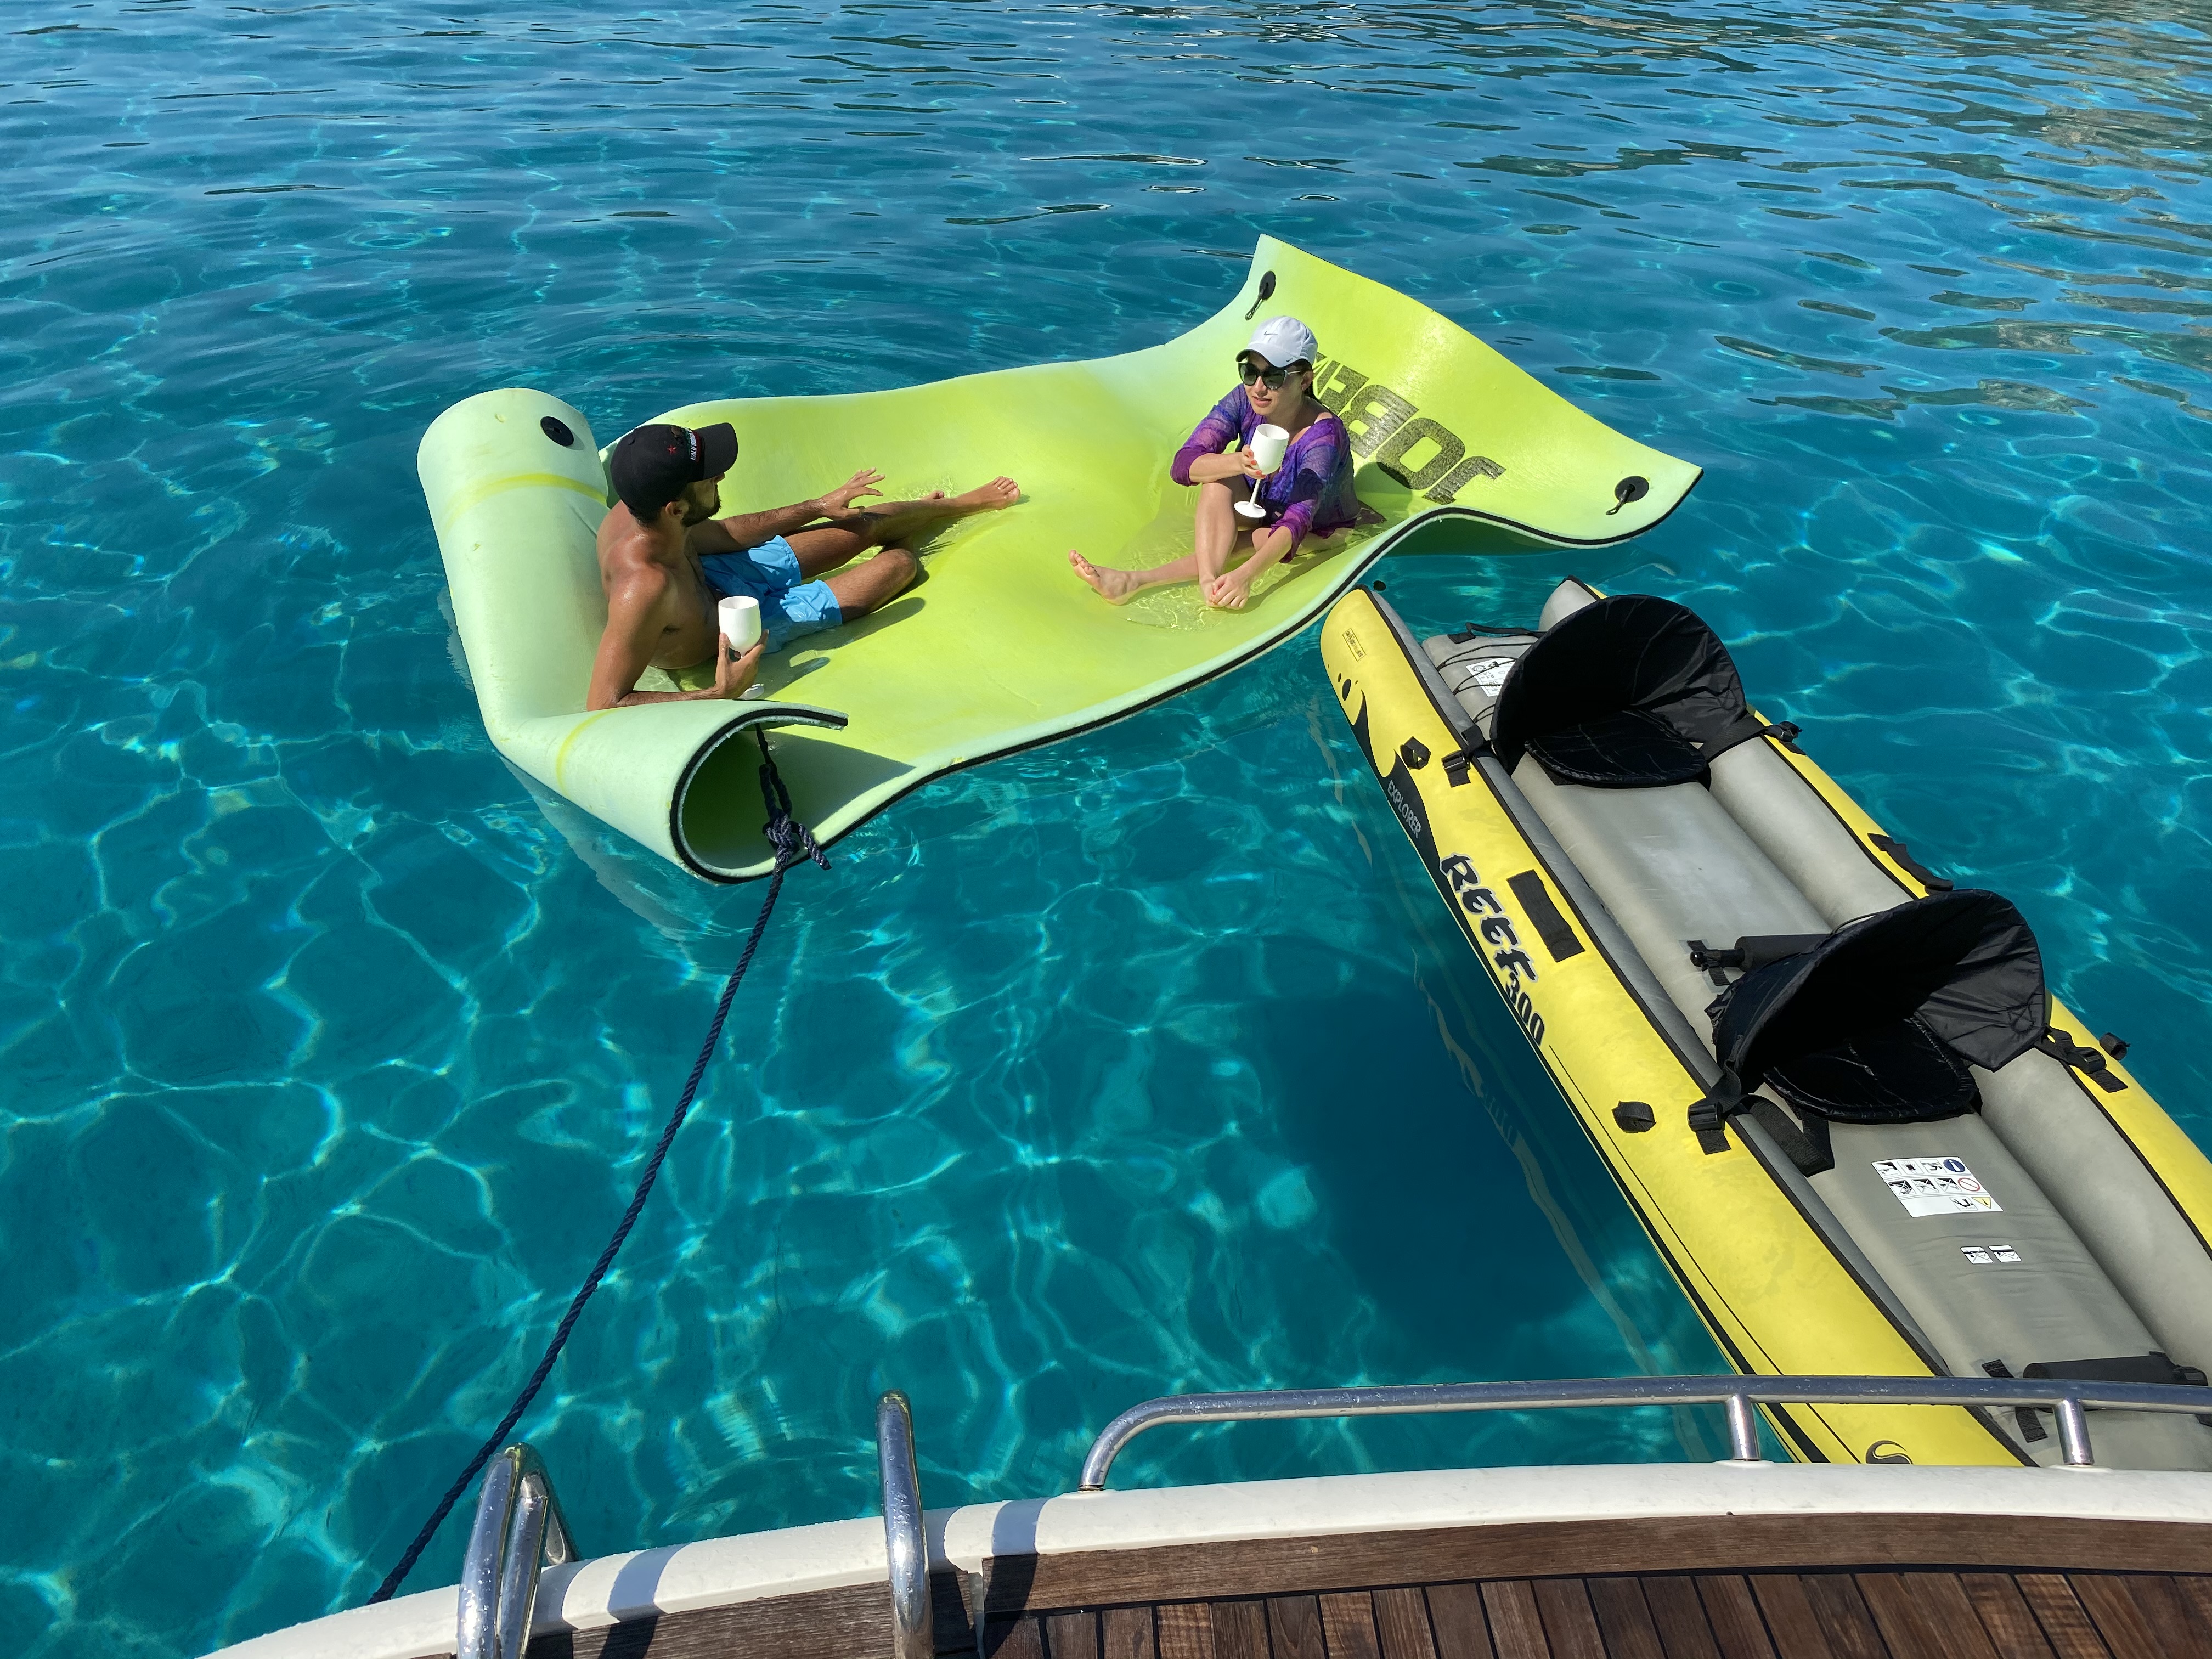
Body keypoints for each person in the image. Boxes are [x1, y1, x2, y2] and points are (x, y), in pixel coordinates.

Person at [588, 421, 1018, 709]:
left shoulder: (647, 508)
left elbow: (725, 534)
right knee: (899, 564)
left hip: (724, 574)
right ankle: (907, 530)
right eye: (709, 477)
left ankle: (958, 505)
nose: (720, 477)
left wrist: (816, 507)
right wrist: (718, 693)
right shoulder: (644, 588)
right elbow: (605, 703)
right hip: (743, 628)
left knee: (864, 525)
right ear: (677, 508)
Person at [1068, 316, 1358, 611]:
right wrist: (1236, 463)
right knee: (1218, 476)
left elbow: (1297, 521)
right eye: (1250, 373)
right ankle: (1208, 582)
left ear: (1305, 380)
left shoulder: (1324, 436)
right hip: (1260, 503)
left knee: (1245, 542)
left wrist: (1245, 576)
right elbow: (1183, 465)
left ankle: (1134, 581)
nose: (1259, 388)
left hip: (1317, 528)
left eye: (1274, 377)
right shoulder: (1245, 400)